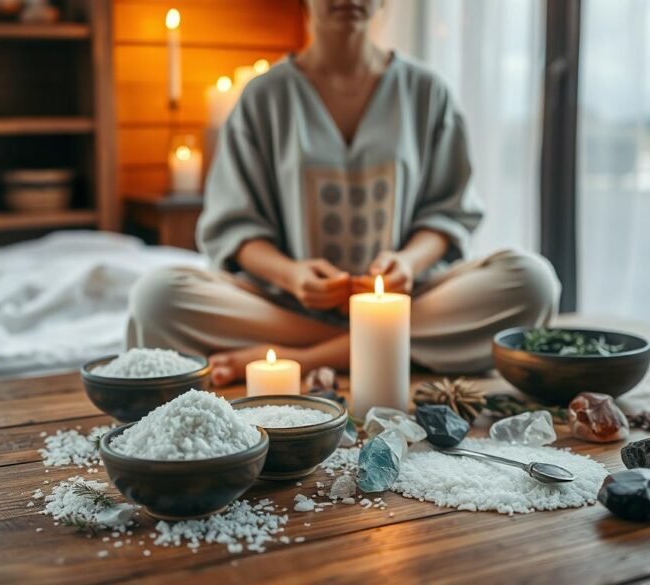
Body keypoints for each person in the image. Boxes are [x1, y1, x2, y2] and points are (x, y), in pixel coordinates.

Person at [128, 0, 560, 386]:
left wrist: (407, 263)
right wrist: (291, 275)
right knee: (157, 297)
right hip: (285, 307)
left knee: (532, 281)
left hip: (410, 301)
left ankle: (301, 358)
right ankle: (383, 347)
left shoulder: (427, 92)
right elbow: (235, 229)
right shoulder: (263, 97)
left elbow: (447, 214)